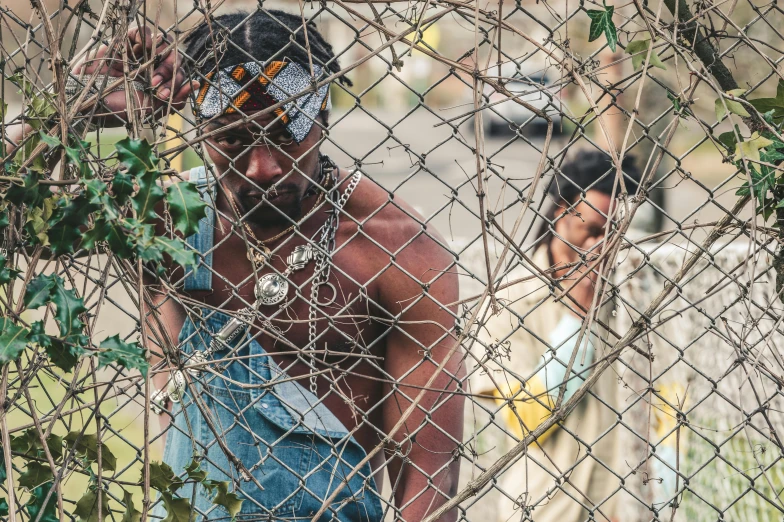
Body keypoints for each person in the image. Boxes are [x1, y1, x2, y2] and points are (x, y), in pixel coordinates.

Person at [6, 9, 464, 521]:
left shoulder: (396, 248)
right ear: (196, 128)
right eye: (232, 138)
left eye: (285, 134)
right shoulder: (165, 219)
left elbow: (429, 473)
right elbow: (13, 219)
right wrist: (70, 110)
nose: (261, 167)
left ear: (323, 120)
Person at [469, 151, 641, 522]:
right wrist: (579, 314)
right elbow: (528, 420)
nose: (602, 247)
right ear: (561, 211)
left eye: (614, 233)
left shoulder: (634, 293)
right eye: (592, 231)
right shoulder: (507, 302)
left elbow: (667, 404)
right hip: (545, 511)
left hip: (626, 507)